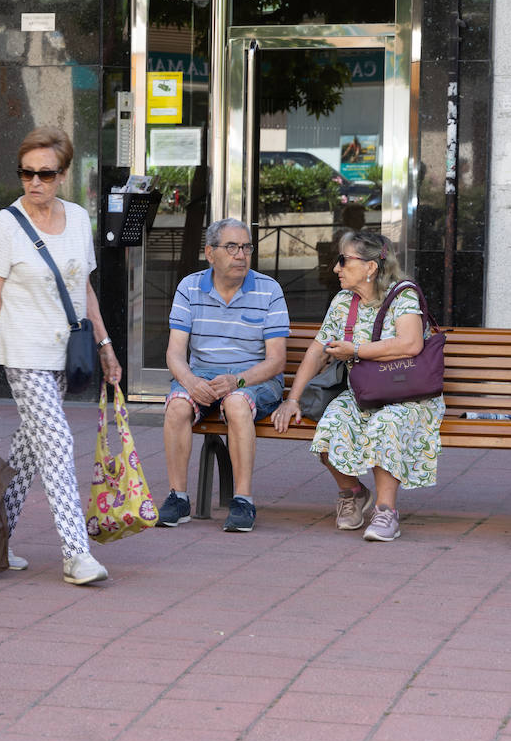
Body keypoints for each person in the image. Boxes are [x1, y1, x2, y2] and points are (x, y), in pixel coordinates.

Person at [0, 127, 120, 584]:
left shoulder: (77, 219)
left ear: (63, 174)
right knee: (56, 441)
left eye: (45, 174)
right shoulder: (4, 226)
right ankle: (76, 554)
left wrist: (106, 346)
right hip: (23, 353)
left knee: (29, 450)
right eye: (26, 173)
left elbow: (84, 289)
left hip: (68, 352)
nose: (34, 182)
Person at [271, 230, 442, 541]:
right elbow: (317, 350)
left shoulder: (403, 295)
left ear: (370, 267)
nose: (336, 268)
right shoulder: (343, 301)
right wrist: (293, 399)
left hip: (409, 395)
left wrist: (357, 351)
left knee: (386, 424)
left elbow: (411, 343)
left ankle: (386, 512)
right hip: (364, 393)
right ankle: (352, 492)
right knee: (330, 423)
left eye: (342, 260)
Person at [160, 218, 290, 532]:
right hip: (202, 376)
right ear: (210, 253)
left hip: (253, 378)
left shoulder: (268, 290)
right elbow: (175, 353)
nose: (241, 255)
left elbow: (276, 361)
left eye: (246, 247)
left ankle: (243, 500)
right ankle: (178, 497)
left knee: (235, 403)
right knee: (177, 404)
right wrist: (191, 382)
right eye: (231, 247)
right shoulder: (190, 287)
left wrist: (238, 380)